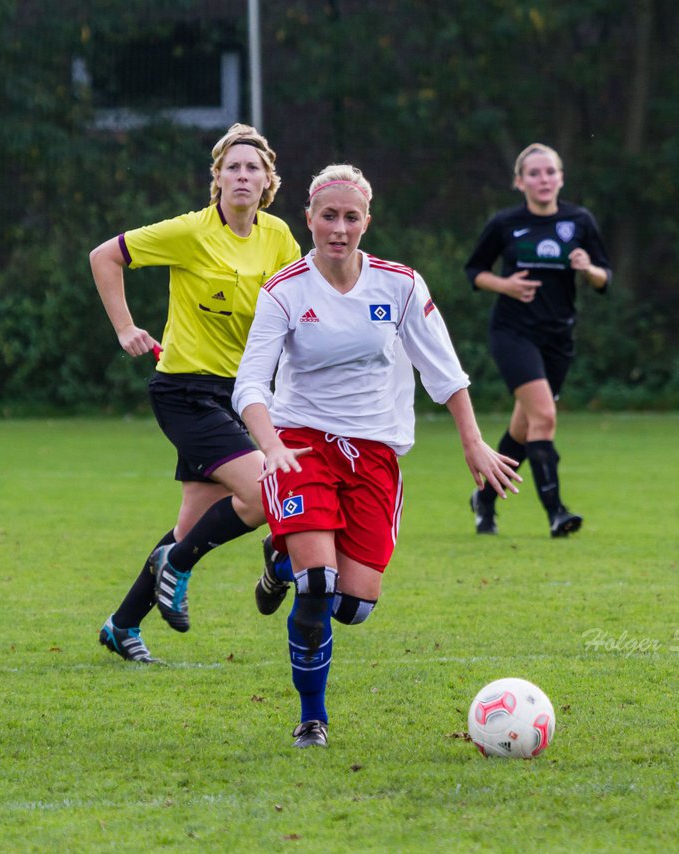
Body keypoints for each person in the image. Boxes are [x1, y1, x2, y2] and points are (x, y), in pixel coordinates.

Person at [233, 165, 520, 748]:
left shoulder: (400, 286)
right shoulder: (284, 290)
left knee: (353, 607)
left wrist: (473, 441)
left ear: (367, 222)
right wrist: (271, 446)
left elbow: (446, 373)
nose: (339, 228)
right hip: (300, 446)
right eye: (328, 216)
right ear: (308, 219)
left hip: (374, 455)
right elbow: (250, 386)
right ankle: (312, 718)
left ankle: (278, 558)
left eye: (351, 217)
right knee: (318, 586)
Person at [88, 123, 302, 663]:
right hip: (185, 393)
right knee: (262, 493)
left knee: (189, 525)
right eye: (232, 166)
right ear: (217, 178)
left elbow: (299, 313)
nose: (242, 174)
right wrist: (124, 328)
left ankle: (121, 625)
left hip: (243, 396)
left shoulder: (279, 237)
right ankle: (199, 564)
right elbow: (104, 256)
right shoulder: (191, 231)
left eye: (253, 166)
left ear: (268, 180)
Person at [463, 143, 611, 537]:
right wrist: (505, 284)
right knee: (544, 417)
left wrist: (589, 268)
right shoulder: (505, 223)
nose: (543, 179)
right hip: (513, 333)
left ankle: (485, 500)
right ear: (519, 181)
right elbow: (474, 270)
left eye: (550, 172)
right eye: (534, 173)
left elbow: (604, 279)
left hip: (558, 337)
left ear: (561, 178)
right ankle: (556, 513)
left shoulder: (579, 220)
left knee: (525, 428)